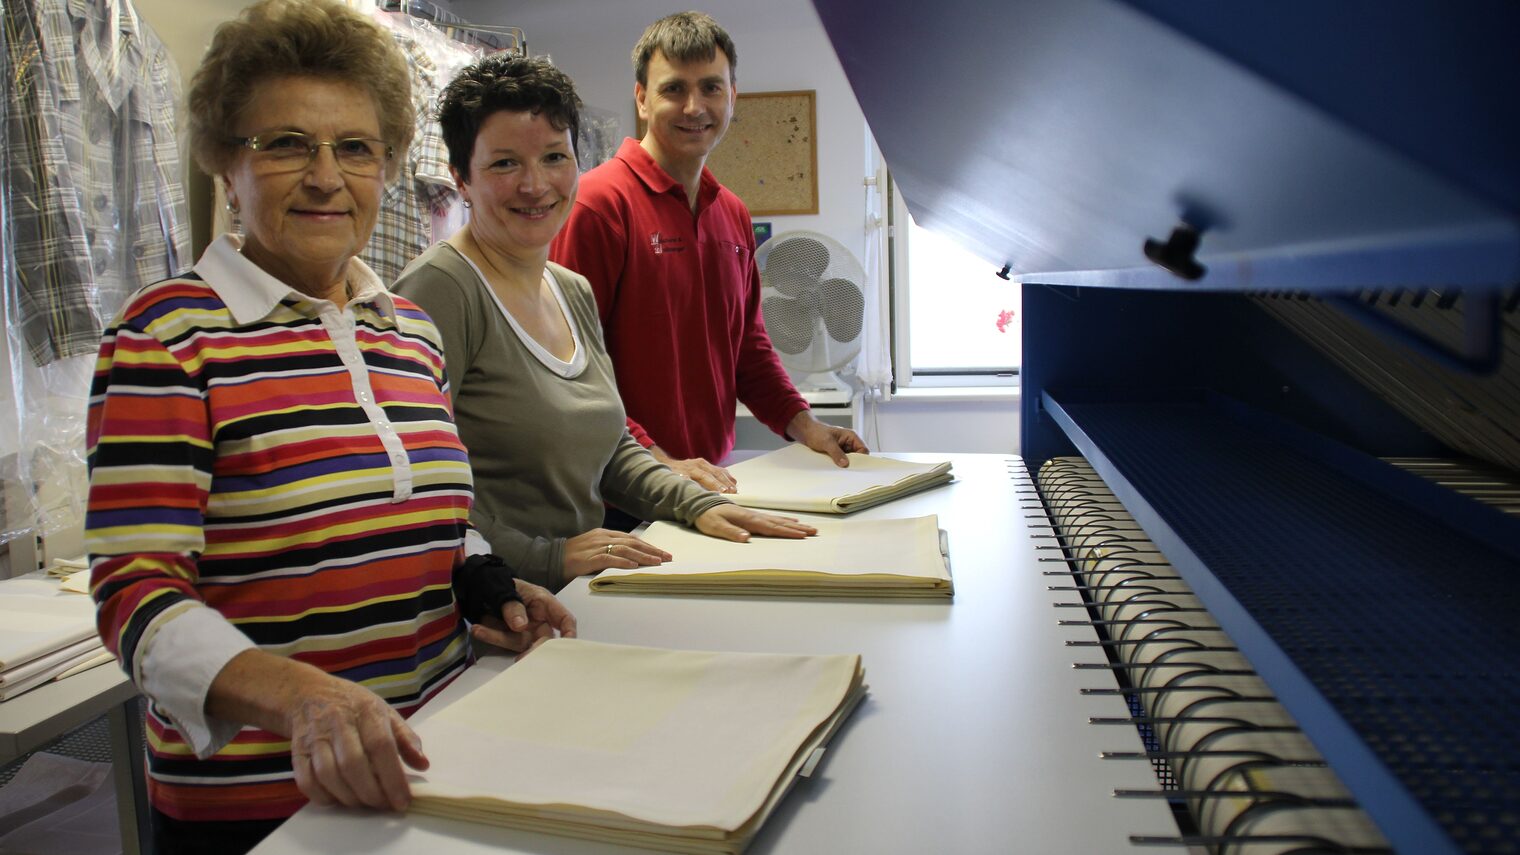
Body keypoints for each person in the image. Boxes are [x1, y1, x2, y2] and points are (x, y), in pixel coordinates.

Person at [83, 3, 574, 852]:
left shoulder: (406, 331)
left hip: (435, 767)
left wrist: (489, 582)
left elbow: (428, 516)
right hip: (265, 809)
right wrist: (301, 696)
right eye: (283, 144)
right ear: (223, 163)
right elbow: (135, 594)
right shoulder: (166, 337)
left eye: (356, 148)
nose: (325, 176)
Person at [392, 54, 816, 593]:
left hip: (579, 592)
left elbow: (609, 447)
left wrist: (699, 506)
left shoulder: (569, 289)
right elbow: (412, 491)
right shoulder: (440, 291)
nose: (535, 184)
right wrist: (545, 557)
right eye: (504, 164)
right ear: (461, 179)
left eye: (553, 157)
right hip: (494, 606)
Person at [550, 11, 868, 499]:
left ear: (732, 97)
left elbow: (748, 350)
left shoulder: (733, 214)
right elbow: (574, 371)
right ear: (641, 99)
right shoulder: (597, 205)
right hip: (617, 491)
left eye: (711, 88)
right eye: (673, 89)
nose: (694, 106)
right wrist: (655, 463)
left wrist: (807, 426)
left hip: (708, 481)